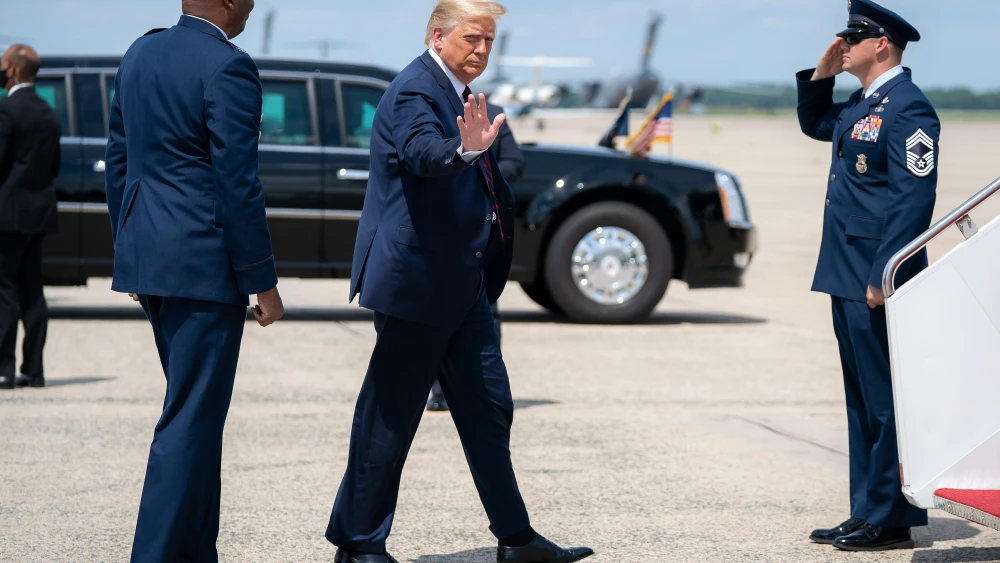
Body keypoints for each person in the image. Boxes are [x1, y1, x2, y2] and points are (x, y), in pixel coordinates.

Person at [328, 2, 593, 562]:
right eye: (473, 38)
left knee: (488, 407)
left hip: (460, 282)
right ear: (439, 35)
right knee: (390, 415)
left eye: (491, 41)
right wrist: (468, 149)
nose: (482, 50)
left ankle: (517, 540)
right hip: (418, 284)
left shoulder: (455, 91)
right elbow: (425, 153)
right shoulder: (416, 91)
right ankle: (357, 546)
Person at [105, 1, 284, 560]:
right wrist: (262, 280)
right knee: (190, 419)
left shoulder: (141, 51)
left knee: (197, 417)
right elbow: (238, 181)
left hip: (153, 255)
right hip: (202, 264)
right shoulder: (228, 65)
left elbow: (119, 158)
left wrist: (131, 249)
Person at [797, 0, 938, 552]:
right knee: (860, 399)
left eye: (852, 38)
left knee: (884, 400)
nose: (843, 45)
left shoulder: (909, 109)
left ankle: (891, 516)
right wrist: (821, 76)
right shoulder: (864, 102)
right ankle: (867, 509)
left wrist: (885, 272)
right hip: (845, 269)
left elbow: (912, 199)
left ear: (881, 43)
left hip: (876, 277)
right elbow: (816, 124)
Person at [426, 100, 524, 412]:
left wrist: (478, 165)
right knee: (435, 313)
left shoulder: (494, 114)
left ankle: (484, 387)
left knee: (484, 310)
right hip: (438, 229)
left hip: (479, 230)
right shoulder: (430, 109)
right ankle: (440, 391)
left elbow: (514, 163)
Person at [0, 45, 61, 390]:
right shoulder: (49, 112)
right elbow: (53, 166)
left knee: (5, 290)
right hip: (39, 213)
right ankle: (34, 370)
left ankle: (4, 369)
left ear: (13, 70)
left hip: (7, 214)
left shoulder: (7, 110)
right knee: (32, 291)